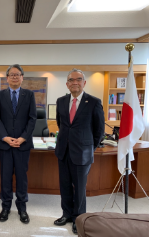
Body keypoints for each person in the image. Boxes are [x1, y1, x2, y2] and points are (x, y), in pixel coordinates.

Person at [54, 69, 104, 234]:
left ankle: (79, 218)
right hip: (64, 151)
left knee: (80, 187)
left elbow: (99, 131)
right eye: (71, 80)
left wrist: (90, 147)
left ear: (84, 82)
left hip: (82, 153)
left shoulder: (94, 102)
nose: (75, 82)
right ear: (67, 84)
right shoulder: (61, 101)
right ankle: (66, 214)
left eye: (78, 79)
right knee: (65, 185)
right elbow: (61, 125)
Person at [0, 64, 36, 224]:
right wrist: (4, 137)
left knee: (21, 177)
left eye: (17, 75)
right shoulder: (0, 95)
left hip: (22, 145)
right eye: (11, 75)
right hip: (5, 144)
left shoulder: (29, 95)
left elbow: (32, 118)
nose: (14, 77)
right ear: (7, 78)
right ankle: (5, 207)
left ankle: (22, 208)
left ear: (22, 77)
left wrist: (23, 137)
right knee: (5, 177)